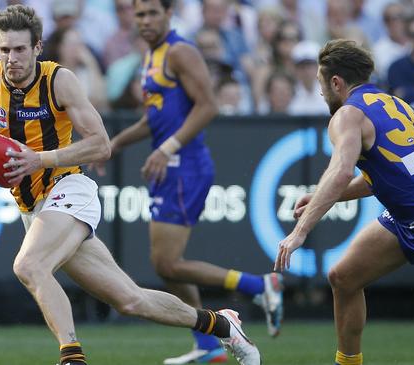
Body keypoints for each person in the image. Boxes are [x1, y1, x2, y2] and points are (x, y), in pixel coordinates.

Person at [0, 4, 260, 365]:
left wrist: (40, 159)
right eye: (5, 50)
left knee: (28, 266)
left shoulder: (58, 80)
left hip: (68, 189)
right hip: (32, 206)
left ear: (37, 47)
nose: (11, 58)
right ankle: (221, 325)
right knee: (130, 300)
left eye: (20, 49)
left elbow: (100, 143)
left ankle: (72, 357)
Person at [94, 1, 283, 364]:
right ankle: (208, 346)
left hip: (186, 167)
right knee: (167, 265)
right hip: (172, 167)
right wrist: (115, 144)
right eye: (140, 15)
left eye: (152, 13)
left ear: (169, 13)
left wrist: (168, 148)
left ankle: (257, 287)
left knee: (166, 264)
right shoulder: (153, 55)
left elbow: (208, 105)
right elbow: (155, 118)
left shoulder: (180, 51)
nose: (145, 20)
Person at [275, 39, 414, 365]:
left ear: (336, 82)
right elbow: (389, 175)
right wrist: (325, 198)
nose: (321, 94)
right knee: (344, 277)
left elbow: (339, 172)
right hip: (408, 218)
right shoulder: (395, 103)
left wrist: (300, 231)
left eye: (322, 84)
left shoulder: (348, 114)